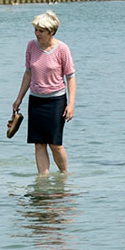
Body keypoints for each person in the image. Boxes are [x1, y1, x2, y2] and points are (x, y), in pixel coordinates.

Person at [11, 11, 76, 175]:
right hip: (35, 100)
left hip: (56, 101)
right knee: (39, 143)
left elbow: (70, 77)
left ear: (51, 32)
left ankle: (64, 175)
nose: (37, 33)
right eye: (36, 30)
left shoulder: (62, 49)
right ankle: (43, 179)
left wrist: (71, 104)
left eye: (41, 30)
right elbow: (28, 73)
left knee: (55, 143)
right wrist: (19, 98)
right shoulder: (31, 46)